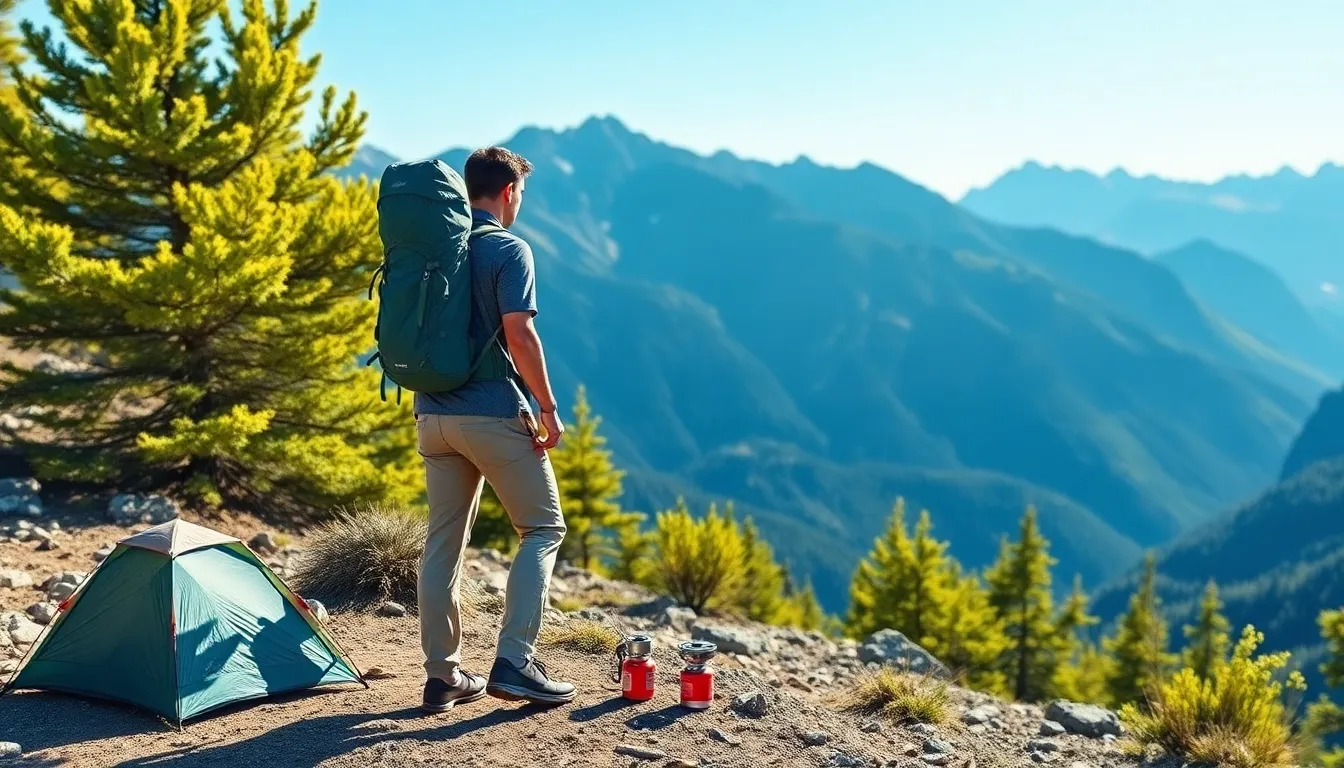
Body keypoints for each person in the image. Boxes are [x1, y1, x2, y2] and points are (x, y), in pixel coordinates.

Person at [414, 146, 575, 712]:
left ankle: (443, 676)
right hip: (491, 412)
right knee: (542, 528)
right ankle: (515, 662)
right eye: (522, 195)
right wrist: (548, 408)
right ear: (508, 192)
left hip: (432, 415)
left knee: (444, 541)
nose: (521, 205)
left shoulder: (436, 249)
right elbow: (520, 336)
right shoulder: (508, 249)